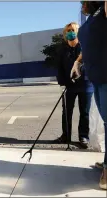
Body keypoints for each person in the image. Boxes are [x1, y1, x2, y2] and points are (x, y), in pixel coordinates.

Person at [71, 1, 107, 190]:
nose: (81, 4)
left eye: (84, 1)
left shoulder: (103, 13)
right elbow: (90, 46)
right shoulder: (92, 18)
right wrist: (77, 62)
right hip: (97, 78)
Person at [54, 22, 93, 149]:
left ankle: (83, 136)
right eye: (68, 30)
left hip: (86, 85)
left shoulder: (85, 47)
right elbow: (59, 67)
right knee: (66, 112)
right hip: (68, 86)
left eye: (73, 30)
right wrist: (61, 83)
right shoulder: (62, 49)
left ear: (77, 32)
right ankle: (66, 135)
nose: (70, 32)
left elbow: (90, 64)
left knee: (84, 112)